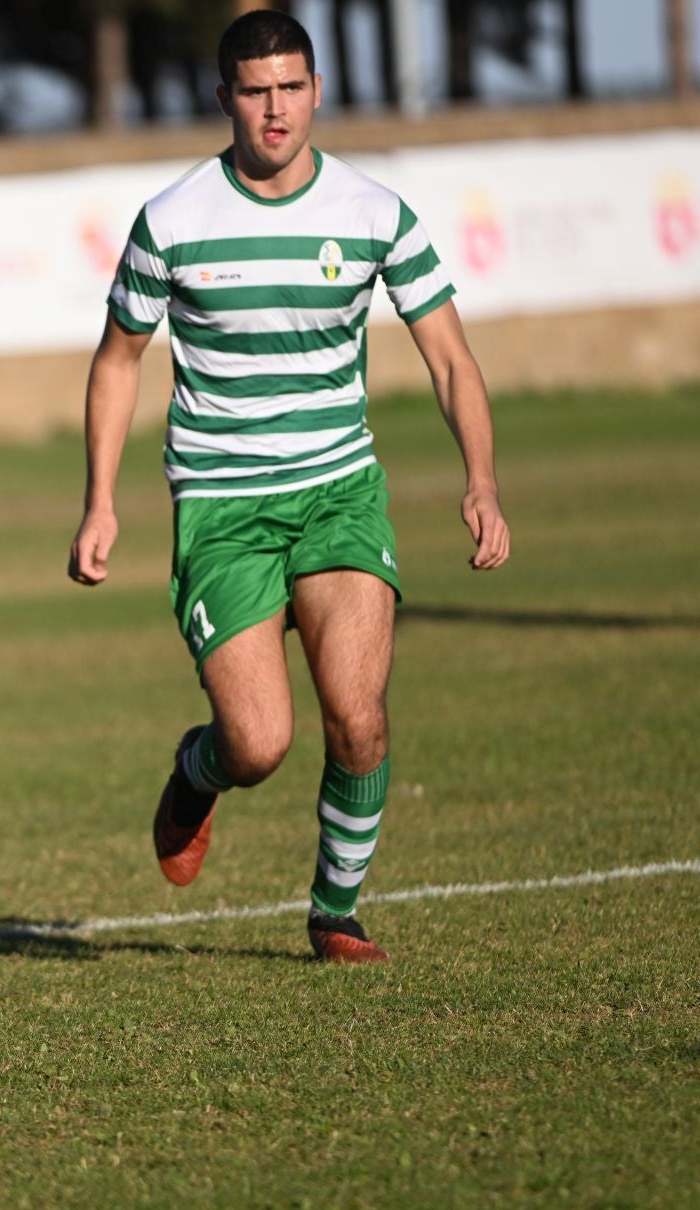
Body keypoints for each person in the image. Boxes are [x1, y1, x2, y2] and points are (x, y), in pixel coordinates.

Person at [67, 11, 510, 963]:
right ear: (225, 98)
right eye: (257, 92)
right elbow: (117, 361)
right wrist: (101, 500)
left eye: (293, 88)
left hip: (338, 492)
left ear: (316, 90)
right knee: (259, 743)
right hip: (224, 509)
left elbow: (451, 358)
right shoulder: (174, 221)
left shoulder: (375, 213)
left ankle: (335, 911)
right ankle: (199, 768)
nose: (277, 111)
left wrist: (480, 480)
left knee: (358, 714)